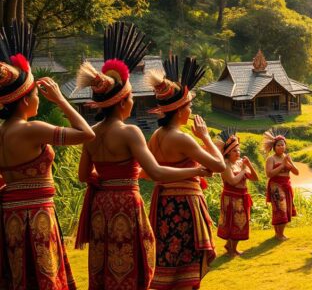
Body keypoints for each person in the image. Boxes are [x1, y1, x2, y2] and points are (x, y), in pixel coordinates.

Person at [73, 23, 210, 289]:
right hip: (126, 203)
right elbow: (156, 173)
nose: (134, 101)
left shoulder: (91, 133)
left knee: (104, 264)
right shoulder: (130, 132)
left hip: (101, 207)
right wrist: (194, 171)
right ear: (123, 102)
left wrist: (106, 182)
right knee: (133, 264)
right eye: (132, 96)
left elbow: (82, 176)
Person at [0, 21, 95, 289]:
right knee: (44, 277)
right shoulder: (33, 130)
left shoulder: (2, 133)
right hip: (36, 216)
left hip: (10, 217)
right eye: (36, 94)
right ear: (25, 100)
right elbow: (87, 134)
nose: (40, 99)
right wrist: (61, 100)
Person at [145, 55, 226, 289]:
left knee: (169, 254)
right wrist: (206, 137)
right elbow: (219, 166)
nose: (191, 110)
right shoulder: (182, 138)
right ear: (180, 111)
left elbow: (153, 172)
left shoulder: (156, 136)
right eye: (189, 106)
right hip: (183, 205)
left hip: (162, 204)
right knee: (186, 256)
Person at [216, 130, 258, 256]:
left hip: (242, 197)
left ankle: (232, 247)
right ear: (228, 153)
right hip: (230, 198)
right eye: (234, 150)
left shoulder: (241, 163)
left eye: (239, 150)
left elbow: (255, 178)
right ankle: (231, 248)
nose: (238, 153)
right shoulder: (225, 165)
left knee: (241, 222)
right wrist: (243, 171)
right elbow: (233, 181)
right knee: (231, 222)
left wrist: (249, 166)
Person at [264, 129, 299, 240]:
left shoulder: (286, 157)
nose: (281, 147)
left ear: (285, 146)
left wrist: (290, 162)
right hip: (275, 186)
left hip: (286, 185)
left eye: (282, 145)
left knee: (286, 209)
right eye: (278, 145)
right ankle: (278, 234)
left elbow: (296, 172)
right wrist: (282, 165)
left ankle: (280, 234)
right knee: (279, 209)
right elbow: (269, 174)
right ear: (274, 147)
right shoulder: (271, 159)